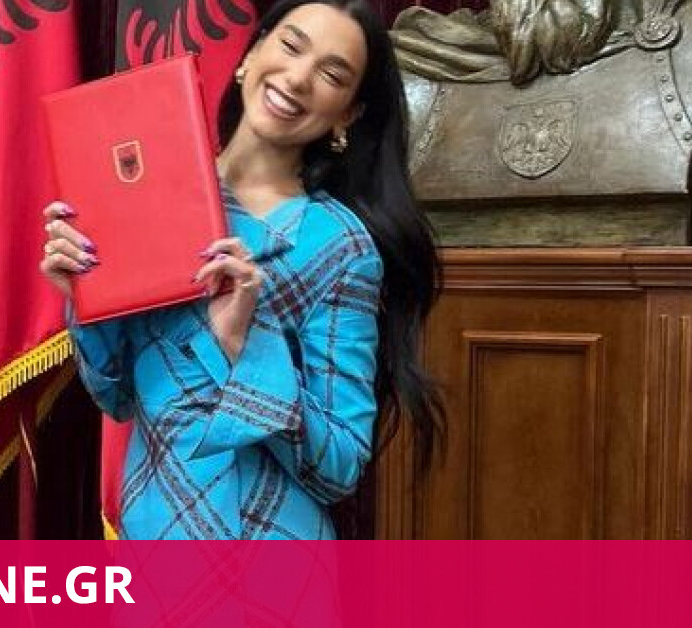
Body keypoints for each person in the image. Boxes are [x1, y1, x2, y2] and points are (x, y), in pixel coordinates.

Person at [40, 0, 442, 540]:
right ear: (251, 53)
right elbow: (118, 397)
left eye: (331, 74)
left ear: (347, 114)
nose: (297, 78)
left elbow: (341, 468)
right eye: (290, 46)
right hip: (153, 540)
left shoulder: (339, 247)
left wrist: (244, 346)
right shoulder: (152, 193)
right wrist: (85, 292)